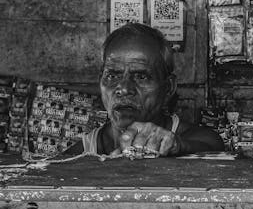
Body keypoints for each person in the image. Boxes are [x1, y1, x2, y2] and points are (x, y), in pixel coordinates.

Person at [65, 23, 224, 157]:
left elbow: (213, 148)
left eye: (141, 77)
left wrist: (176, 145)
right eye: (112, 76)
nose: (124, 89)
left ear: (168, 88)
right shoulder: (81, 154)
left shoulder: (197, 140)